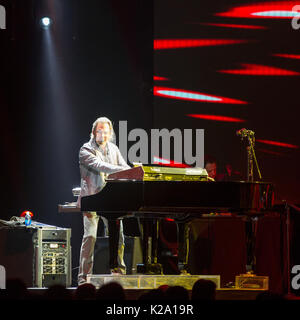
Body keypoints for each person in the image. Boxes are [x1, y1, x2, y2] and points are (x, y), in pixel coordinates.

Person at [77, 117, 130, 285]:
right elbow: (100, 165)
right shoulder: (85, 149)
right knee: (90, 237)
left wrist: (131, 171)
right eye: (100, 130)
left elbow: (123, 165)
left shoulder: (113, 149)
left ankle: (119, 273)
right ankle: (84, 279)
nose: (104, 134)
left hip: (111, 200)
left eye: (107, 131)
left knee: (119, 236)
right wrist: (125, 169)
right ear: (94, 132)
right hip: (92, 199)